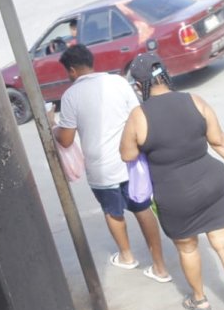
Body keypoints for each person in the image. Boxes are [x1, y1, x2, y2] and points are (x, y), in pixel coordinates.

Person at [119, 53, 224, 310]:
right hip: (212, 182)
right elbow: (219, 141)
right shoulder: (195, 101)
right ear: (165, 75)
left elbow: (127, 154)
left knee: (188, 248)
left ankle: (199, 299)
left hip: (174, 193)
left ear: (139, 86)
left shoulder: (138, 116)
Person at [52, 46, 172, 283]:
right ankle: (160, 267)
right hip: (131, 161)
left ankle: (127, 256)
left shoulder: (70, 96)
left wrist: (53, 127)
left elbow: (65, 140)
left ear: (73, 71)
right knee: (142, 208)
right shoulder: (118, 83)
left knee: (113, 211)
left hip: (102, 169)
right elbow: (139, 117)